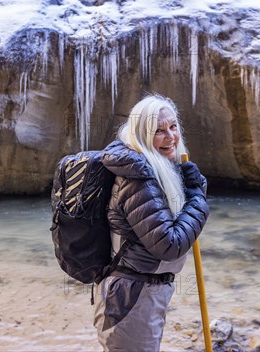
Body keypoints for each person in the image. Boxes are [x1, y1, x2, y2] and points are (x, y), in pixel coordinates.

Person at [93, 94, 209, 351]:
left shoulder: (155, 169)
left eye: (173, 126)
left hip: (144, 292)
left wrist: (194, 187)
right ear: (142, 135)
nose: (171, 137)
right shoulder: (138, 180)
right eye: (159, 131)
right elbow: (170, 244)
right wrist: (198, 199)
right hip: (130, 298)